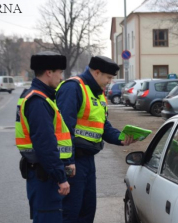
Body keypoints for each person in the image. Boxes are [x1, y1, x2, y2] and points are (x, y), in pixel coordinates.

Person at [56, 55, 136, 223]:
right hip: (74, 160)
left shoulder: (98, 93)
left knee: (88, 209)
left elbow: (102, 125)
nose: (110, 82)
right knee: (71, 211)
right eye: (108, 77)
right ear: (97, 73)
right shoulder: (73, 88)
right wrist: (67, 162)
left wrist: (120, 138)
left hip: (87, 159)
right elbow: (63, 130)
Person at [15, 51, 75, 223]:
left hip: (43, 173)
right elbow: (46, 145)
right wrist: (60, 177)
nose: (61, 77)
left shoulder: (39, 96)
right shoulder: (38, 101)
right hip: (45, 176)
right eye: (60, 72)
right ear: (49, 72)